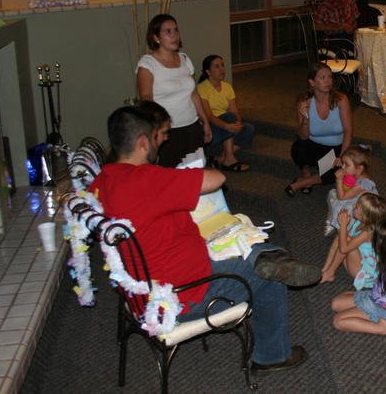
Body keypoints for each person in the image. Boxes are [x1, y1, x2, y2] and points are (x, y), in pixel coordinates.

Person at [90, 105, 321, 373]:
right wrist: (175, 176)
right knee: (269, 276)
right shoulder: (147, 179)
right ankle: (272, 356)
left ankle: (267, 256)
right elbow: (217, 178)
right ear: (143, 142)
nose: (161, 142)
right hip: (183, 294)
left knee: (250, 247)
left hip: (141, 292)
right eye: (156, 137)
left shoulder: (101, 181)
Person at [136, 13, 212, 167]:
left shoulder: (185, 59)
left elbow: (194, 94)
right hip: (167, 132)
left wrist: (205, 121)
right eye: (168, 31)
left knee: (194, 171)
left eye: (176, 30)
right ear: (156, 37)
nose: (174, 35)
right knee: (170, 175)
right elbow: (146, 98)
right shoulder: (148, 64)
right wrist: (158, 129)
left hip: (191, 126)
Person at [331, 219, 386, 338]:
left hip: (382, 309)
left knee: (338, 321)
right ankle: (363, 305)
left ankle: (383, 328)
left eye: (376, 237)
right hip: (374, 296)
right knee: (335, 303)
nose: (372, 238)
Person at [285, 63, 353, 196]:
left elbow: (348, 131)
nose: (328, 81)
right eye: (322, 77)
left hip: (335, 148)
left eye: (330, 77)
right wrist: (305, 118)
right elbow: (303, 136)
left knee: (341, 170)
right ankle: (306, 172)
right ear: (312, 82)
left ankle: (303, 182)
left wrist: (342, 156)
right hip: (313, 146)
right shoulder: (304, 101)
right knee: (298, 148)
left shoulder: (341, 100)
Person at [197, 54, 254, 173]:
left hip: (227, 124)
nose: (222, 69)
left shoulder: (227, 87)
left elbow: (234, 110)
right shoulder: (201, 88)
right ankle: (230, 160)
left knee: (249, 129)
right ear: (208, 71)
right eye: (217, 66)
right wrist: (227, 126)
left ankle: (221, 158)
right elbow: (209, 116)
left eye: (222, 65)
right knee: (229, 117)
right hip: (210, 130)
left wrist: (237, 124)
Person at [320, 193, 386, 287]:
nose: (354, 206)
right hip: (355, 261)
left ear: (364, 216)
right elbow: (344, 238)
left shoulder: (367, 233)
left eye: (357, 207)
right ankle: (325, 269)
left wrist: (343, 226)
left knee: (346, 240)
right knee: (340, 237)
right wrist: (342, 227)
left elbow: (344, 249)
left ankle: (330, 273)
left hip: (362, 271)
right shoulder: (359, 222)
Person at [324, 145, 378, 235]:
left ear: (359, 168)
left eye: (346, 165)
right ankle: (333, 218)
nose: (343, 167)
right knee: (332, 193)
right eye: (343, 163)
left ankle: (344, 231)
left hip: (363, 208)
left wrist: (339, 180)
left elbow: (342, 197)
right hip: (354, 197)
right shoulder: (355, 173)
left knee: (341, 206)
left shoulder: (363, 184)